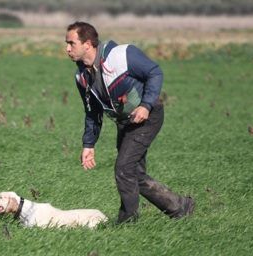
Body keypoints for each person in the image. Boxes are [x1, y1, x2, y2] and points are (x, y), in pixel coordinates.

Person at [65, 21, 194, 223]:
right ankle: (180, 207)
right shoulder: (81, 76)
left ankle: (127, 223)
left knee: (124, 168)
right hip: (126, 122)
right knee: (134, 173)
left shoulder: (122, 55)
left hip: (147, 117)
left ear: (88, 44)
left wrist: (146, 105)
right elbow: (92, 112)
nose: (67, 49)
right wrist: (89, 144)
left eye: (71, 43)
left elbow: (155, 72)